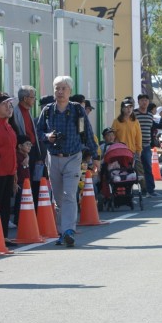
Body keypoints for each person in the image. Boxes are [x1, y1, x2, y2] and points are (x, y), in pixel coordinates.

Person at [36, 76, 96, 246]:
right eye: (57, 88)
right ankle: (62, 231)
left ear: (70, 91)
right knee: (58, 199)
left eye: (63, 88)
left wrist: (95, 156)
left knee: (69, 194)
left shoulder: (77, 110)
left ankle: (69, 230)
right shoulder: (47, 110)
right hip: (53, 158)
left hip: (73, 157)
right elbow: (38, 132)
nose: (60, 91)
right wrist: (47, 136)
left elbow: (88, 132)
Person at [11, 85, 42, 207]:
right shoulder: (15, 112)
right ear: (24, 98)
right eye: (33, 97)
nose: (34, 100)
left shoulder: (28, 112)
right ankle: (20, 215)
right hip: (22, 152)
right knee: (23, 183)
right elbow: (18, 135)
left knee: (32, 182)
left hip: (32, 150)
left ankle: (31, 211)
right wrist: (24, 153)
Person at [111, 97, 145, 194]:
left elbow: (138, 137)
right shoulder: (116, 122)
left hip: (132, 151)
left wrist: (139, 150)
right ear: (122, 108)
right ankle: (122, 192)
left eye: (131, 107)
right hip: (120, 152)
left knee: (138, 170)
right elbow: (112, 136)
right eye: (126, 107)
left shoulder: (135, 122)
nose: (129, 109)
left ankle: (144, 190)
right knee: (122, 173)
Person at [0, 93, 18, 243]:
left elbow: (12, 150)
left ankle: (3, 236)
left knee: (5, 206)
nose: (9, 107)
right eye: (5, 104)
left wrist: (15, 172)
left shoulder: (9, 126)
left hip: (9, 172)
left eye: (10, 104)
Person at [135, 93, 160, 197]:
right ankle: (139, 190)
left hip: (146, 146)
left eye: (146, 100)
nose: (144, 102)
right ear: (138, 102)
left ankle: (150, 190)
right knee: (135, 168)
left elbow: (150, 129)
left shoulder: (150, 115)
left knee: (148, 168)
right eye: (142, 100)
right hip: (136, 147)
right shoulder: (134, 114)